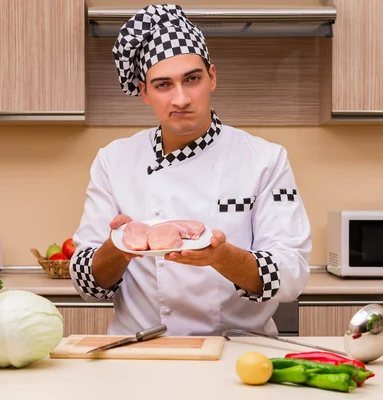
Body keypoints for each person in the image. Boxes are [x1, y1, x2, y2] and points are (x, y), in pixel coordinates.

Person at [69, 4, 311, 337]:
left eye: (192, 79)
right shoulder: (114, 160)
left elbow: (292, 274)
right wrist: (121, 245)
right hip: (139, 353)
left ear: (212, 77)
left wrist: (221, 256)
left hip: (235, 354)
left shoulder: (265, 159)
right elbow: (86, 282)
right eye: (163, 85)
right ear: (144, 92)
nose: (181, 98)